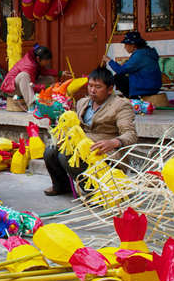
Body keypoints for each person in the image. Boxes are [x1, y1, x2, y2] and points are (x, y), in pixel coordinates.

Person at [43, 67, 137, 196]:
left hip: (105, 151)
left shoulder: (121, 105)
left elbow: (130, 134)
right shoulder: (83, 102)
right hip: (83, 146)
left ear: (110, 89)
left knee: (67, 156)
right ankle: (61, 186)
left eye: (98, 87)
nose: (92, 90)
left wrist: (114, 142)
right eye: (90, 86)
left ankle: (93, 191)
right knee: (51, 151)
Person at [1, 44, 70, 109]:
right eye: (46, 61)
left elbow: (44, 71)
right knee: (24, 75)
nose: (47, 63)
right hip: (12, 89)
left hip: (27, 85)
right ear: (38, 58)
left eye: (48, 61)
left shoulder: (35, 60)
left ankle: (46, 101)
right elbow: (32, 86)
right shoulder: (29, 66)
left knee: (49, 79)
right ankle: (31, 105)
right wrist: (47, 87)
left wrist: (60, 73)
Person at [103, 31, 162, 99]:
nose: (125, 47)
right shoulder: (147, 52)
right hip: (154, 86)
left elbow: (120, 70)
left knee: (118, 78)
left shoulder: (140, 55)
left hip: (146, 87)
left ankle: (134, 99)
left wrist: (109, 61)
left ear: (133, 45)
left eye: (126, 45)